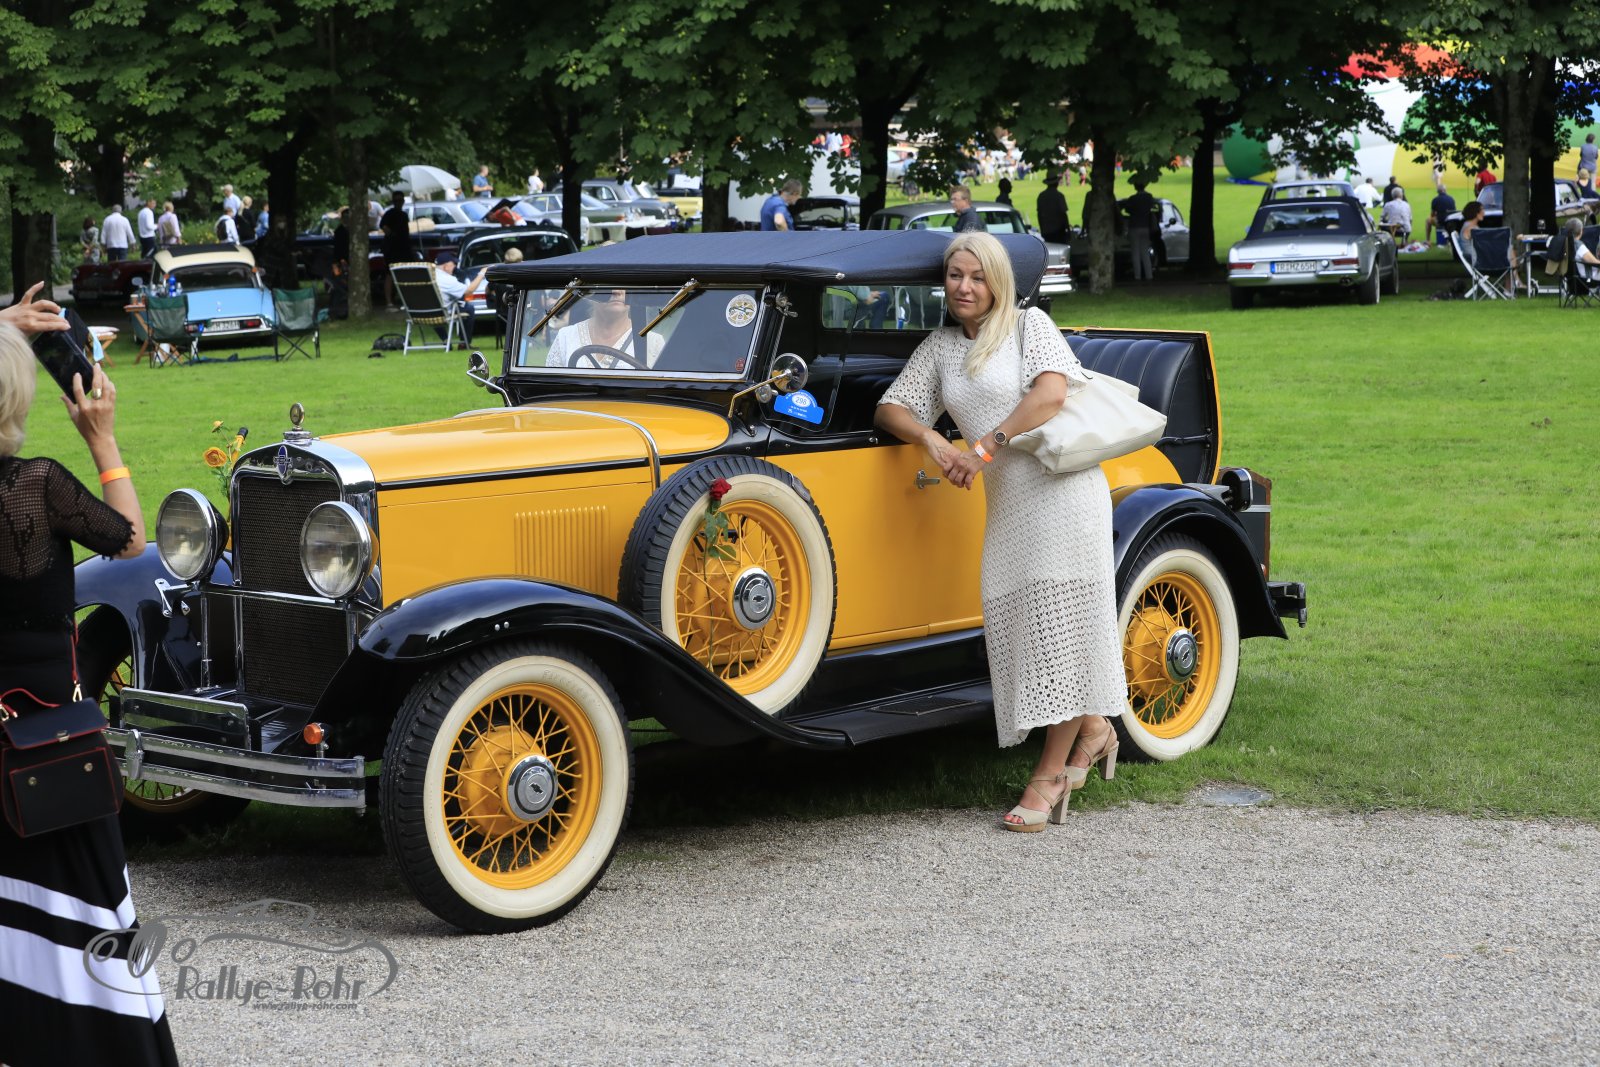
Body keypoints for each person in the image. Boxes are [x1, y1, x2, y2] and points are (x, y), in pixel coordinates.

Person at [874, 233, 1124, 832]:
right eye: (955, 275)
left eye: (978, 277)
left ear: (999, 282)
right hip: (1010, 506)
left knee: (1058, 629)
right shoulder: (940, 348)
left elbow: (1050, 394)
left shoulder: (1028, 325)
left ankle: (1049, 777)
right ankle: (1093, 729)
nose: (965, 287)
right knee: (1024, 627)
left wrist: (984, 447)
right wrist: (932, 438)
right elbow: (890, 408)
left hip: (1063, 494)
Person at [0, 298, 181, 1067]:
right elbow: (130, 538)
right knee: (87, 913)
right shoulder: (36, 486)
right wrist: (102, 440)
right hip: (49, 749)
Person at [546, 290, 664, 369]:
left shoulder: (653, 342)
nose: (617, 291)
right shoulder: (566, 337)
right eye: (608, 284)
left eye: (625, 284)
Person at [431, 251, 487, 346]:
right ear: (446, 266)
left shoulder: (428, 275)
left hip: (424, 312)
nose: (455, 267)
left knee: (433, 307)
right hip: (443, 312)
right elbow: (469, 290)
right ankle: (464, 343)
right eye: (453, 264)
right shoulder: (447, 280)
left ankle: (445, 339)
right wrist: (481, 274)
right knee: (469, 308)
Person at [380, 191, 415, 309]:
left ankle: (404, 298)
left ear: (403, 201)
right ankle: (389, 302)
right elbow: (383, 225)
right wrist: (391, 235)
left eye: (400, 200)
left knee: (406, 273)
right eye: (396, 201)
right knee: (390, 274)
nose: (398, 203)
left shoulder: (404, 215)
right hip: (392, 249)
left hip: (404, 248)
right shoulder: (389, 213)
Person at [1119, 181, 1159, 281]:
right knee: (1145, 252)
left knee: (1135, 253)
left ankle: (1137, 276)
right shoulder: (1149, 197)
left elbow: (1127, 210)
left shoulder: (1133, 198)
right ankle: (1149, 275)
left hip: (1134, 227)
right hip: (1145, 227)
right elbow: (1154, 207)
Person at [1035, 174, 1070, 244]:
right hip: (1059, 230)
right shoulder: (1059, 196)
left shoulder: (1041, 196)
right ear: (1056, 183)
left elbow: (1039, 214)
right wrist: (1068, 229)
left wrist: (1042, 228)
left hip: (1046, 229)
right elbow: (1063, 214)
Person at [1458, 200, 1485, 265]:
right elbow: (1483, 245)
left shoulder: (1467, 224)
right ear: (1475, 212)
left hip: (1474, 257)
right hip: (1476, 259)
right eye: (1482, 210)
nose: (1484, 213)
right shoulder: (1471, 228)